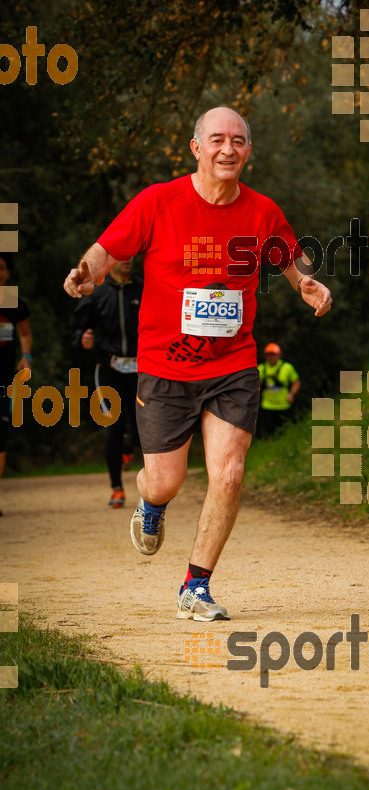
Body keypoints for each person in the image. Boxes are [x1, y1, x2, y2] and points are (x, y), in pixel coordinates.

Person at [64, 106, 332, 621]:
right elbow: (105, 249)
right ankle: (150, 504)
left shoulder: (262, 212)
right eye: (217, 140)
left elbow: (291, 256)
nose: (227, 149)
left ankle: (196, 585)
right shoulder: (158, 202)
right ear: (196, 148)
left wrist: (306, 283)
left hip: (232, 363)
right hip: (166, 367)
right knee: (165, 480)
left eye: (238, 141)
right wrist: (85, 272)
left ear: (248, 150)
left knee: (229, 473)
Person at [70, 258, 142, 508]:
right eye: (122, 258)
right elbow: (77, 329)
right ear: (111, 263)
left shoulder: (143, 289)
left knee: (140, 427)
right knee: (113, 425)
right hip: (108, 369)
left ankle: (130, 448)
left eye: (131, 257)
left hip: (141, 369)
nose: (128, 262)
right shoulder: (98, 293)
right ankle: (117, 488)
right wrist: (83, 339)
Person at [0, 253, 32, 514]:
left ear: (8, 273)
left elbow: (24, 332)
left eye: (1, 268)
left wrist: (26, 356)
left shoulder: (12, 303)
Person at [258, 342, 300, 437]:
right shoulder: (261, 368)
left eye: (274, 354)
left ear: (279, 355)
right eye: (269, 354)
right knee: (269, 432)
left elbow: (296, 382)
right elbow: (256, 385)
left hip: (284, 405)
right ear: (265, 356)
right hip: (267, 405)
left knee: (284, 431)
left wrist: (292, 394)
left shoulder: (287, 367)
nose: (271, 357)